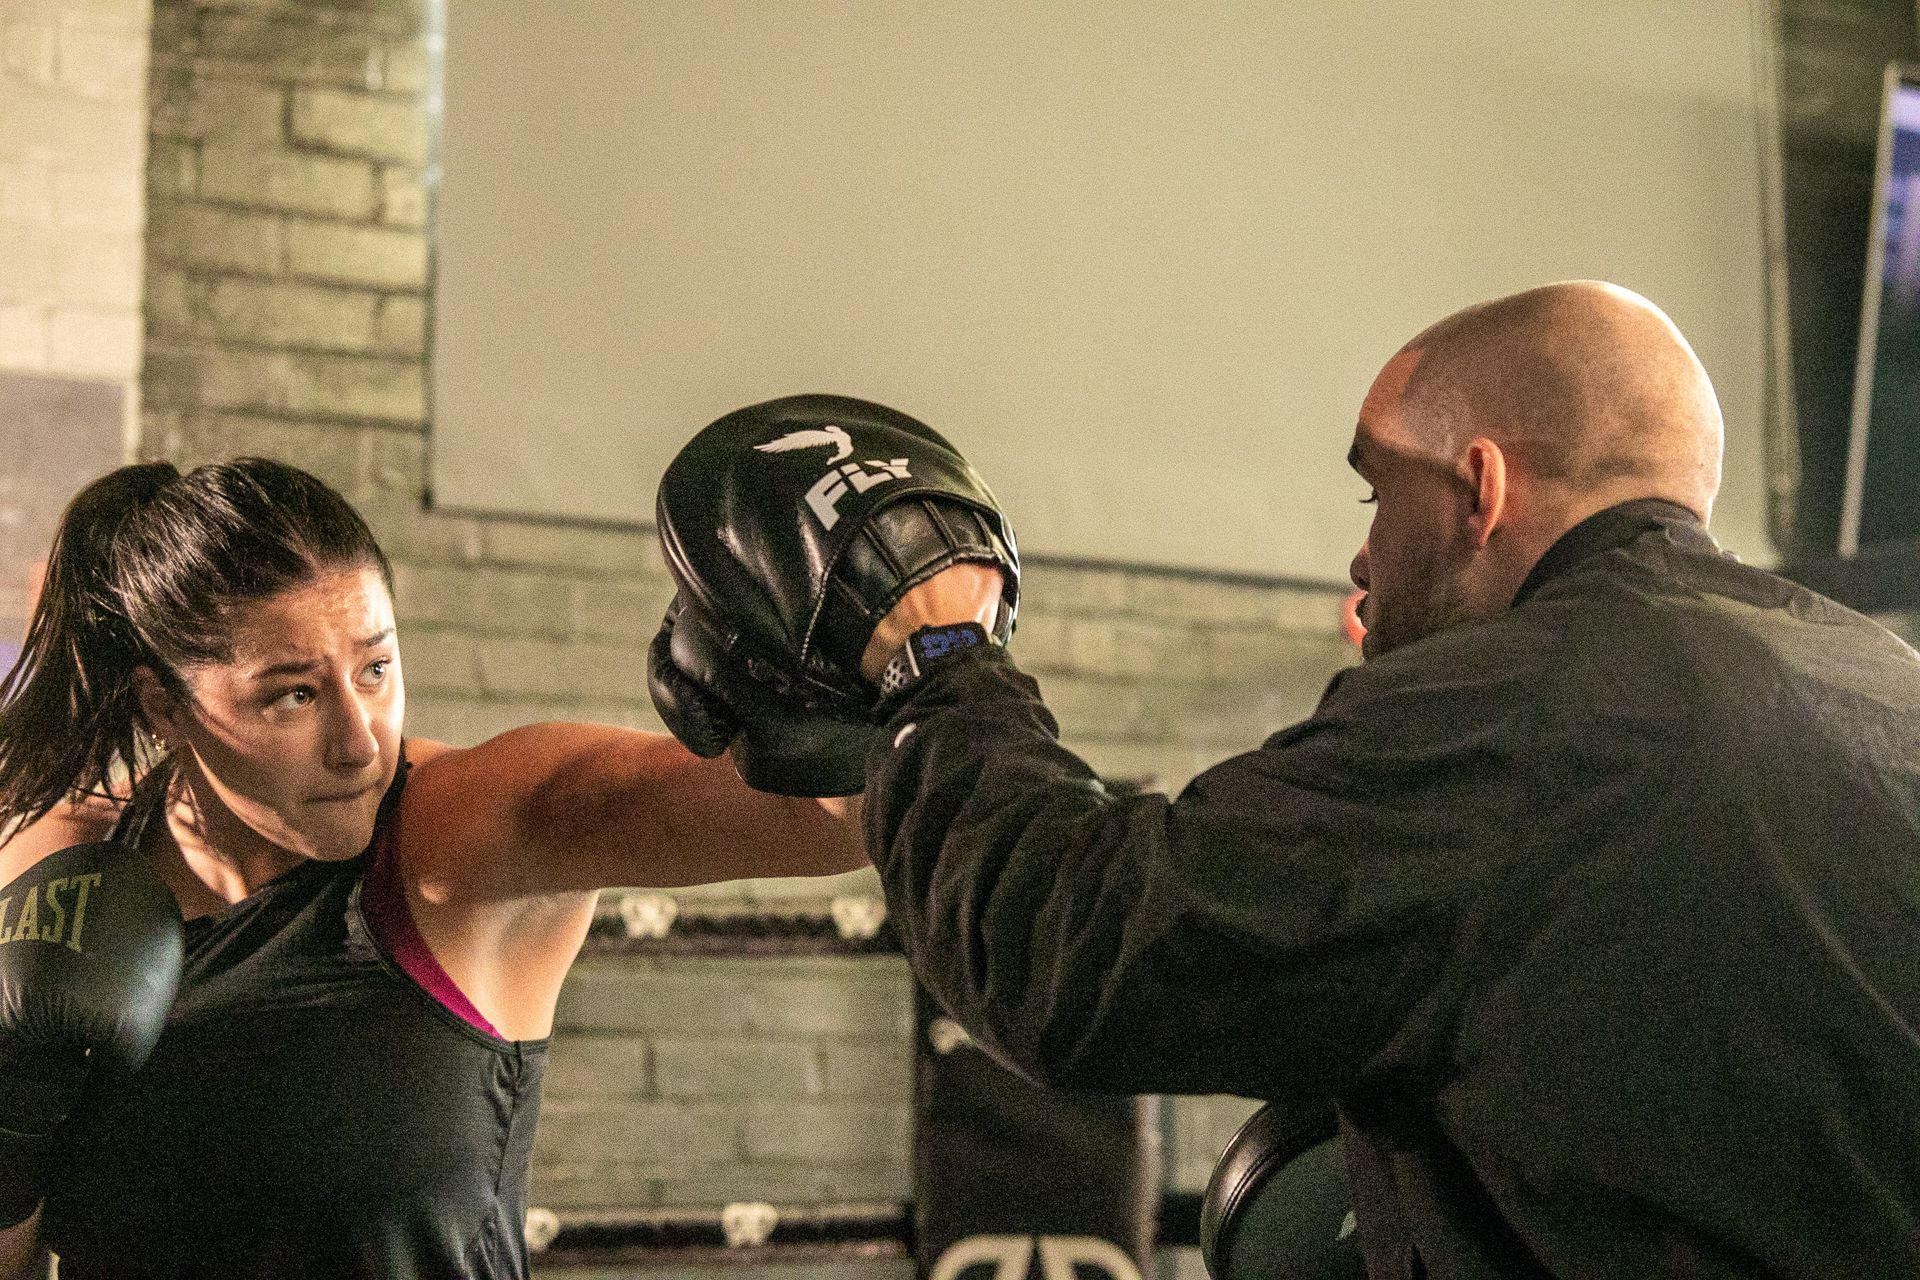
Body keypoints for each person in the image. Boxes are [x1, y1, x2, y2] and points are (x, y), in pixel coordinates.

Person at [651, 283, 1920, 1277]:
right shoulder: (1883, 684)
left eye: (1379, 492)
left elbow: (1074, 949)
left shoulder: (1528, 710)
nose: (1364, 552)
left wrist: (936, 656)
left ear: (1479, 488)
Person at [0, 458, 867, 1279]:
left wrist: (904, 660)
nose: (358, 741)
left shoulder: (461, 833)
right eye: (294, 694)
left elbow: (822, 822)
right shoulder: (62, 872)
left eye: (376, 669)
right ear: (165, 707)